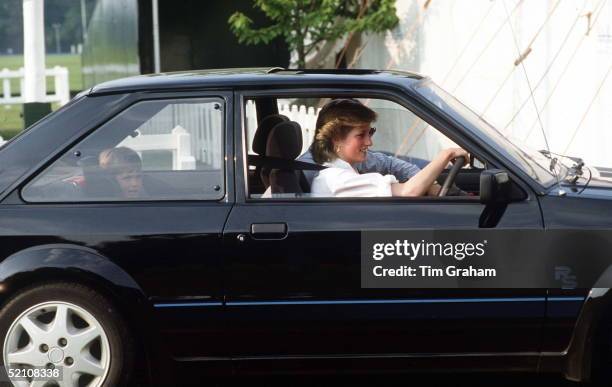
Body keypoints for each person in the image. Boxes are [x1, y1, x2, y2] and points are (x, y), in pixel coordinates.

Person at [309, 99, 468, 197]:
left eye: (370, 133)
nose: (369, 142)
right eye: (361, 135)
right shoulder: (338, 180)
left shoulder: (345, 171)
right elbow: (409, 192)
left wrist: (430, 186)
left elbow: (390, 165)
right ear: (336, 139)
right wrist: (446, 154)